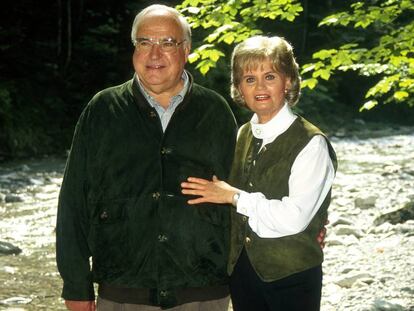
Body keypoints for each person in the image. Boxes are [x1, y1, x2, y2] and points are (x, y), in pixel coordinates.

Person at [56, 4, 238, 311]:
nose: (155, 55)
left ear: (186, 50)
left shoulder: (215, 112)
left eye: (167, 43)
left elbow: (246, 190)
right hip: (123, 291)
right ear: (134, 48)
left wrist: (302, 229)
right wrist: (76, 284)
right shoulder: (102, 110)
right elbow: (74, 201)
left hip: (203, 292)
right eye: (145, 42)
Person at [181, 35, 337, 311]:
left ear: (288, 81)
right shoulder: (243, 134)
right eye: (249, 79)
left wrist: (234, 197)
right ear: (239, 87)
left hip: (292, 278)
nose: (260, 87)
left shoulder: (312, 143)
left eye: (270, 76)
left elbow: (293, 219)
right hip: (243, 274)